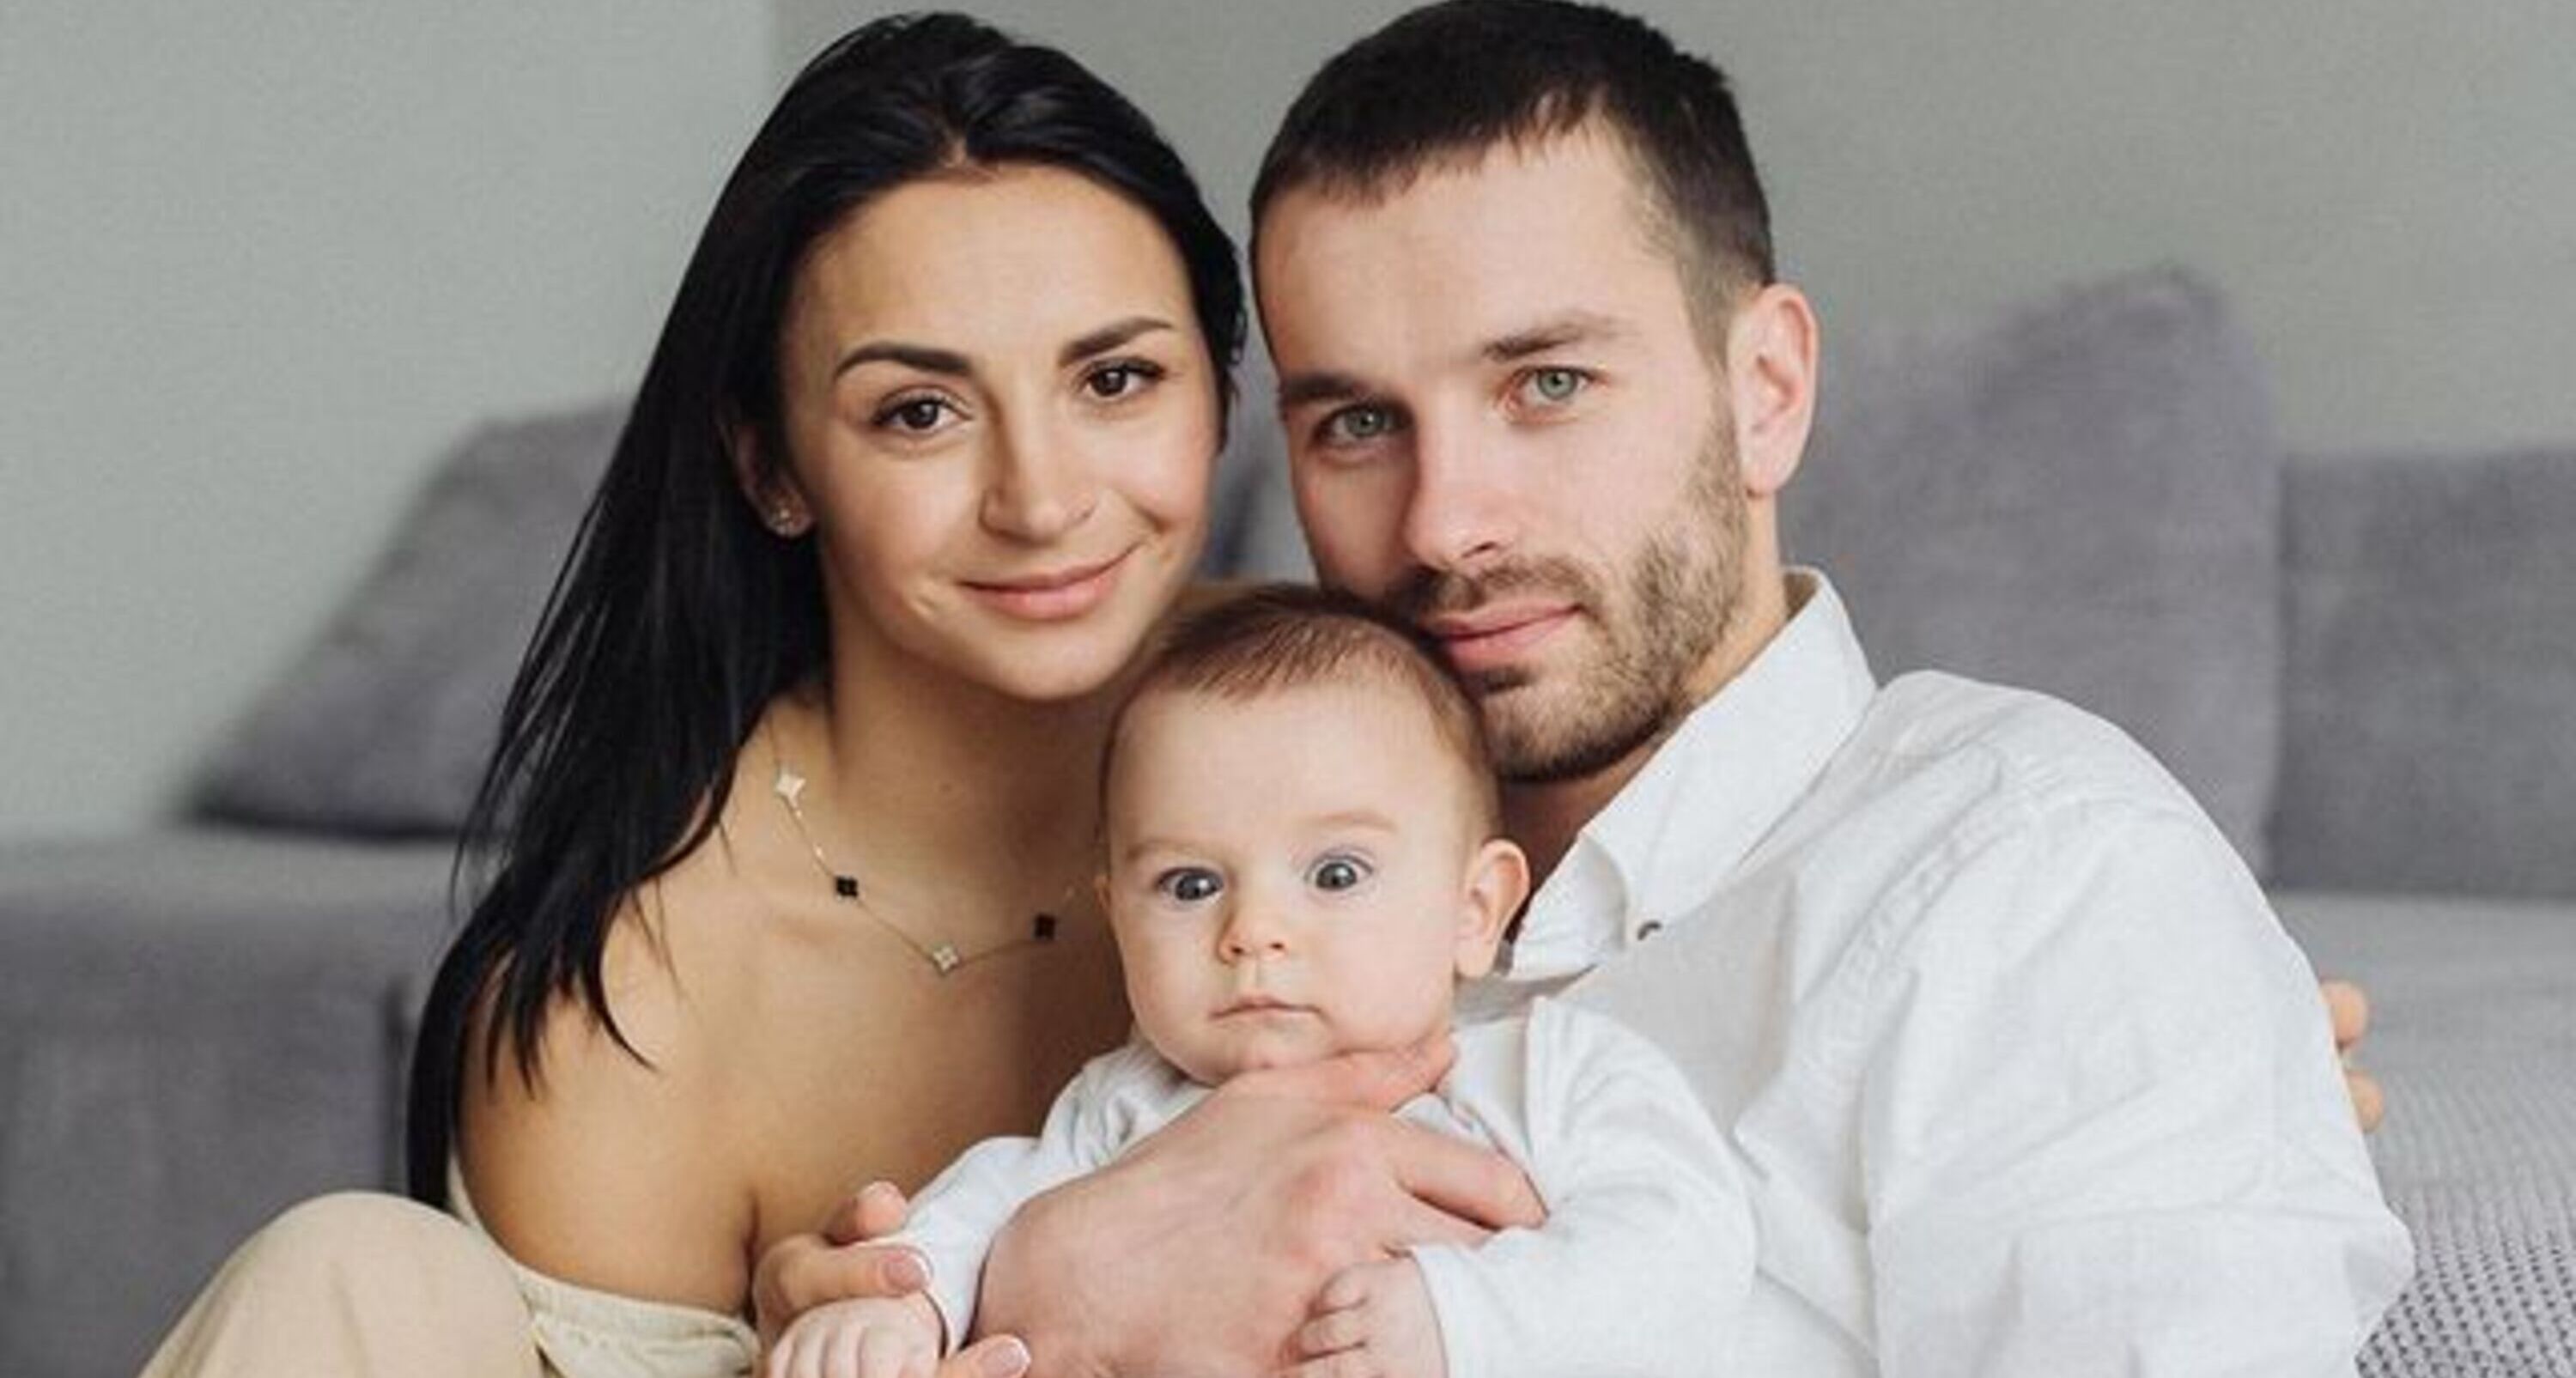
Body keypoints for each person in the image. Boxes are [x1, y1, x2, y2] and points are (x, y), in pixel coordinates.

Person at [764, 3, 2413, 1374]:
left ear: (1765, 389)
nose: (1444, 523)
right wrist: (1008, 1274)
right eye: (1359, 423)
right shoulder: (1222, 849)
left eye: (1546, 383)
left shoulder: (2031, 883)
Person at [769, 585, 1753, 1378]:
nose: (1252, 933)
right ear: (1118, 916)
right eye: (1190, 885)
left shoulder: (1550, 1073)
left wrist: (1458, 1318)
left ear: (1474, 907)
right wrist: (903, 1310)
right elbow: (989, 1210)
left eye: (1336, 874)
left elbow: (1683, 1256)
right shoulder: (1121, 1108)